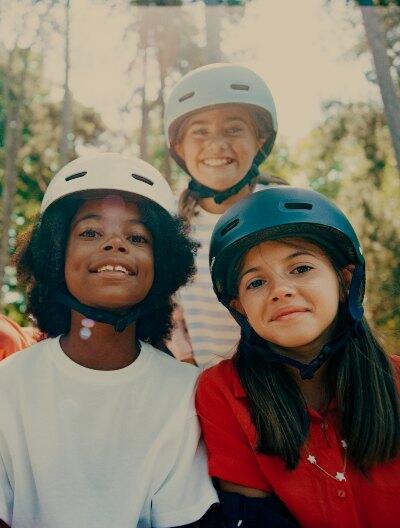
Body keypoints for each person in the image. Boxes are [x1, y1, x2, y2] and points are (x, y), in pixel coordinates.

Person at [0, 153, 218, 528]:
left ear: (160, 262)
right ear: (56, 255)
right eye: (90, 232)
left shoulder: (186, 391)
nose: (115, 244)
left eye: (137, 237)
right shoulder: (9, 384)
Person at [196, 186, 400, 527]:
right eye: (256, 283)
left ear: (345, 280)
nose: (281, 290)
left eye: (301, 268)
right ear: (240, 308)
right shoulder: (223, 392)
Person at [164, 62, 281, 369]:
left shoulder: (282, 211)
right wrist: (185, 357)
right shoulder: (170, 223)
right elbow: (169, 307)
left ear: (260, 139)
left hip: (283, 380)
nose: (217, 144)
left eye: (233, 129)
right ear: (179, 146)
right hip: (208, 385)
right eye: (200, 131)